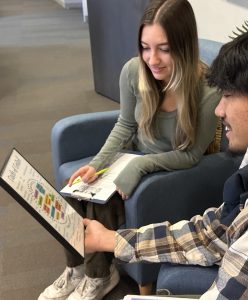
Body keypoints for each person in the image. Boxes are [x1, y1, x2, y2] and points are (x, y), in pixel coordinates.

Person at [82, 13, 248, 299]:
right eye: (146, 48)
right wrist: (110, 239)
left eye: (229, 96)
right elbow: (214, 232)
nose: (220, 111)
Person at [39, 0, 221, 299]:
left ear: (184, 45)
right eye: (145, 47)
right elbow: (125, 126)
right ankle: (77, 269)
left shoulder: (208, 90)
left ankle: (101, 275)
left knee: (103, 203)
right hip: (133, 157)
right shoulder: (133, 71)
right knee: (73, 191)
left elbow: (191, 155)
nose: (153, 59)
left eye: (164, 48)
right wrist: (96, 165)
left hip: (169, 169)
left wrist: (140, 166)